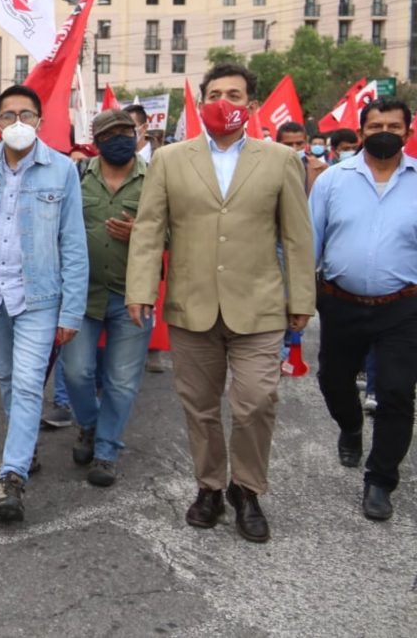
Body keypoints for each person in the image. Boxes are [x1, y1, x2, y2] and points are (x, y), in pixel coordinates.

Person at [127, 63, 314, 544]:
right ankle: (209, 486)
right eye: (215, 94)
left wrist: (301, 298)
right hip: (193, 307)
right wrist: (142, 290)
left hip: (260, 307)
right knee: (200, 407)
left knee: (255, 402)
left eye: (234, 94)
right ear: (202, 101)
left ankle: (247, 490)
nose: (224, 102)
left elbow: (296, 236)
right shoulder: (170, 159)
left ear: (251, 106)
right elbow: (149, 230)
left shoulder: (279, 160)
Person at [0, 85, 88, 522]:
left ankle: (12, 476)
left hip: (39, 298)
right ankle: (25, 448)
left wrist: (71, 310)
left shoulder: (62, 170)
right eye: (8, 116)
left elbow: (74, 243)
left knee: (28, 383)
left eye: (27, 115)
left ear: (41, 122)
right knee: (6, 377)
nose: (18, 124)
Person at [311, 98, 417, 522]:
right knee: (334, 382)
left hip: (403, 308)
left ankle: (380, 480)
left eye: (393, 125)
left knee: (395, 392)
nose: (384, 131)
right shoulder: (333, 181)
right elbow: (309, 243)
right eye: (375, 125)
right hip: (340, 303)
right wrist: (298, 302)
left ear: (408, 132)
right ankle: (351, 427)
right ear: (361, 132)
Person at [60, 109, 153, 487]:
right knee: (76, 372)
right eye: (110, 134)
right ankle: (89, 424)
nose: (119, 138)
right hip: (81, 295)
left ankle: (106, 451)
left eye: (125, 131)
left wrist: (141, 235)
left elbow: (177, 234)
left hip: (133, 295)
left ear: (136, 135)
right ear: (96, 142)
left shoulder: (156, 180)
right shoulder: (77, 176)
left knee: (122, 380)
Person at [275, 121, 327, 195]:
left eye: (299, 143)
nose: (294, 148)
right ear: (277, 143)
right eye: (288, 144)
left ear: (306, 143)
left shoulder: (321, 168)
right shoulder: (267, 167)